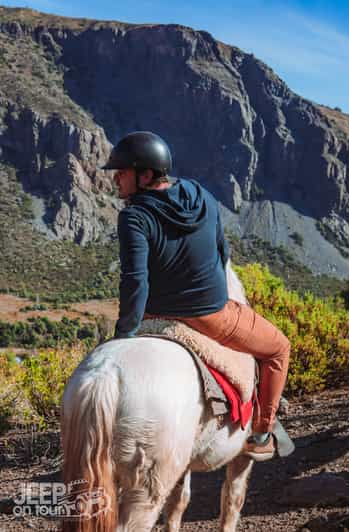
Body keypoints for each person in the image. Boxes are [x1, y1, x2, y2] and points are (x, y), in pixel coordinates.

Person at [103, 132, 291, 461]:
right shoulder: (201, 195)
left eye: (122, 172)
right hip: (214, 317)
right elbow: (222, 252)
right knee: (277, 349)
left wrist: (123, 337)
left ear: (145, 175)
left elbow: (135, 281)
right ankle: (262, 433)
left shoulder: (134, 216)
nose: (115, 179)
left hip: (156, 315)